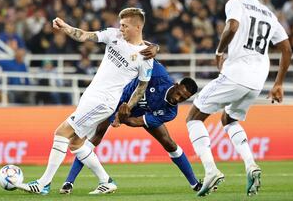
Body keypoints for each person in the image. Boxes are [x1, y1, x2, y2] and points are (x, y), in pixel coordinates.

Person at [16, 7, 157, 195]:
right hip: (91, 96)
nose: (121, 28)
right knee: (75, 143)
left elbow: (142, 87)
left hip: (104, 101)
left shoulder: (145, 55)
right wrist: (66, 27)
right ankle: (106, 181)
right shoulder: (113, 35)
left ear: (137, 27)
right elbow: (84, 35)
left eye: (125, 25)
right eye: (120, 24)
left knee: (61, 133)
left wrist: (127, 107)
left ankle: (44, 183)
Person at [185, 0, 292, 197]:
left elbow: (232, 27)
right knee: (229, 119)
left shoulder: (236, 4)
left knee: (193, 118)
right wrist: (279, 83)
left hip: (236, 74)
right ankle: (251, 165)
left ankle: (211, 171)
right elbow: (287, 48)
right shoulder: (269, 14)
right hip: (257, 80)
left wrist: (219, 51)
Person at [59, 60, 202, 194]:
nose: (177, 99)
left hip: (137, 114)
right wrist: (154, 47)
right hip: (117, 100)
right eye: (178, 94)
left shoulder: (170, 112)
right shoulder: (159, 74)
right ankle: (69, 182)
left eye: (183, 98)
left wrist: (122, 118)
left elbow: (136, 122)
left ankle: (195, 184)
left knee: (169, 143)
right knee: (97, 135)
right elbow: (144, 55)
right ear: (176, 85)